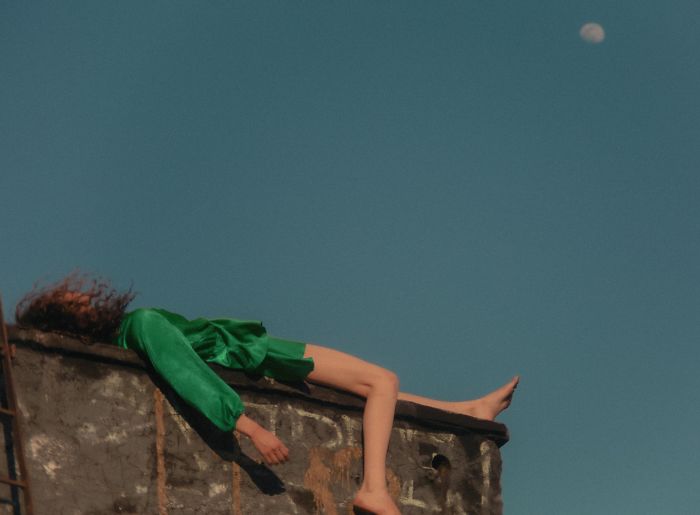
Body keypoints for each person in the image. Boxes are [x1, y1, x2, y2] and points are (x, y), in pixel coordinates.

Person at [15, 273, 519, 515]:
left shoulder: (130, 332)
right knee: (381, 381)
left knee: (373, 393)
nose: (84, 294)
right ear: (70, 319)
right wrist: (249, 425)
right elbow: (187, 375)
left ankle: (467, 411)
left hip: (251, 352)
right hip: (257, 354)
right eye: (73, 300)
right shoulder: (141, 325)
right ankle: (373, 489)